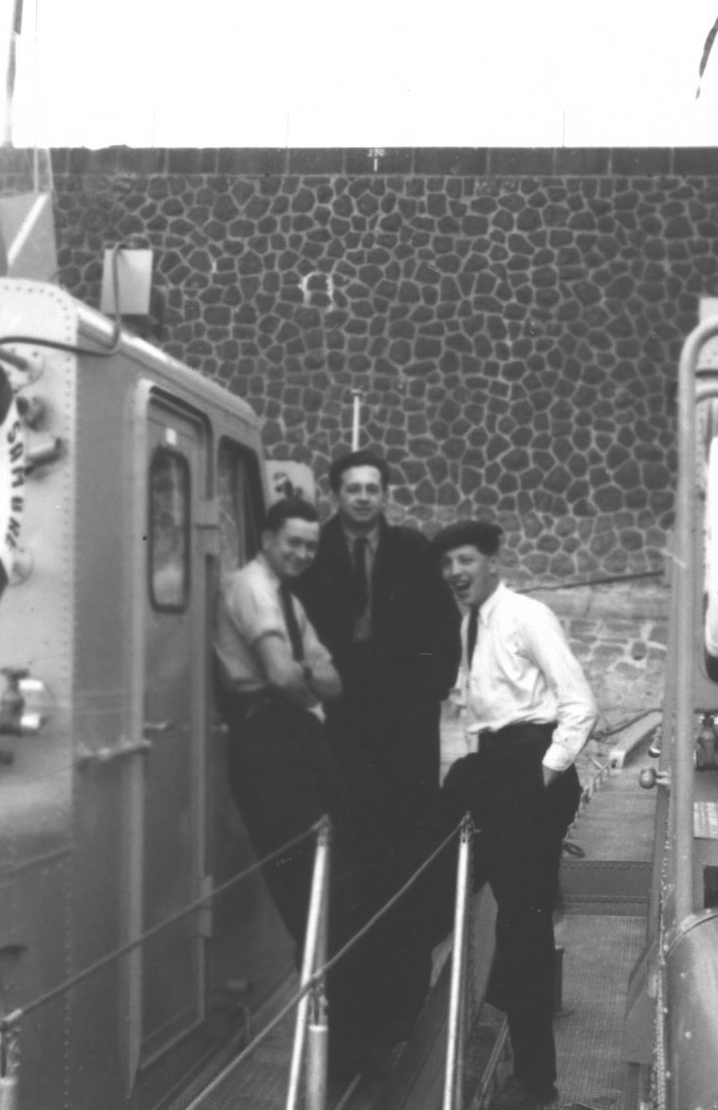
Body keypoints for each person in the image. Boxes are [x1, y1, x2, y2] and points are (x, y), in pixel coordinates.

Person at [421, 519, 598, 1110]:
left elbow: (580, 704)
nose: (455, 572)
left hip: (530, 767)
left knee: (523, 925)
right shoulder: (469, 623)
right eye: (448, 564)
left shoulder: (526, 615)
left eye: (466, 560)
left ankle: (536, 1081)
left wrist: (542, 776)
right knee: (430, 869)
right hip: (491, 765)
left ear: (492, 561)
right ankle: (440, 1000)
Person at [292, 449, 461, 1034]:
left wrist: (426, 693)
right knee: (347, 861)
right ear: (335, 494)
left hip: (405, 734)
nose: (363, 497)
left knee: (404, 855)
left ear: (384, 494)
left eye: (372, 488)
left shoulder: (412, 550)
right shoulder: (313, 552)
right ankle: (346, 1005)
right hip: (340, 730)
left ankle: (403, 1004)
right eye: (353, 488)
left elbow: (444, 629)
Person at [214, 496, 372, 1079]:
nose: (303, 553)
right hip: (266, 741)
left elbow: (333, 683)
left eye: (310, 545)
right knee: (312, 892)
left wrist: (299, 677)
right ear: (267, 539)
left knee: (343, 880)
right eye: (294, 543)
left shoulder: (290, 600)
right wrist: (303, 677)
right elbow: (285, 676)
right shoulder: (250, 588)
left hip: (300, 736)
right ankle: (334, 1052)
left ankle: (345, 1042)